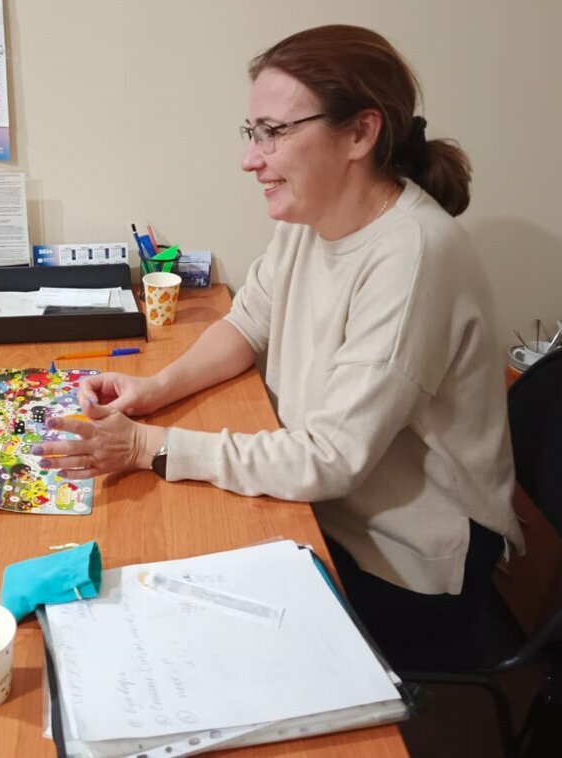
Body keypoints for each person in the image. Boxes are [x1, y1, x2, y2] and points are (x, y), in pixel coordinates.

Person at [32, 25, 522, 670]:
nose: (250, 159)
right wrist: (153, 390)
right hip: (327, 500)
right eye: (252, 131)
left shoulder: (414, 255)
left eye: (273, 132)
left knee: (183, 619)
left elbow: (330, 459)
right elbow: (248, 324)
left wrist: (149, 446)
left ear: (360, 133)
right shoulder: (311, 217)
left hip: (408, 551)